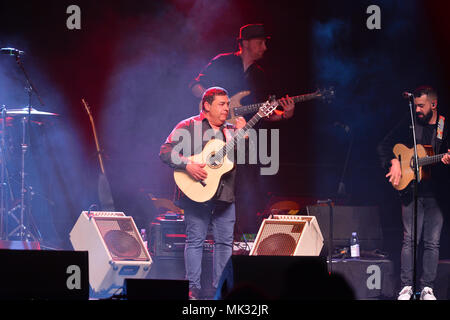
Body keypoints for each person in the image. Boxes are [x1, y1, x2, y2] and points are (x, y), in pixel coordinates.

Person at [160, 87, 247, 299]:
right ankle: (193, 290)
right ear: (207, 106)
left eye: (227, 104)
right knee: (195, 240)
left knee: (225, 243)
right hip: (196, 194)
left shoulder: (230, 130)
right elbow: (165, 151)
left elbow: (242, 159)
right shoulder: (189, 126)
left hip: (225, 194)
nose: (227, 108)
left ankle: (222, 289)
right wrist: (187, 164)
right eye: (222, 104)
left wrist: (243, 135)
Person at [377, 85, 450, 300]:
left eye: (421, 105)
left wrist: (445, 159)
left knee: (432, 242)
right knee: (409, 240)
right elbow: (384, 145)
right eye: (415, 105)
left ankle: (427, 288)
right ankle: (407, 286)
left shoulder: (444, 126)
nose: (417, 109)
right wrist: (393, 162)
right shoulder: (409, 124)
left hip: (436, 193)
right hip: (411, 190)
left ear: (433, 105)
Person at [190, 23, 295, 121]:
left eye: (265, 43)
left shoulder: (260, 75)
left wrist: (284, 114)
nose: (264, 47)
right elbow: (195, 85)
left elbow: (264, 112)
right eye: (260, 43)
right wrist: (214, 102)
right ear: (245, 43)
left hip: (241, 134)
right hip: (213, 128)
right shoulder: (223, 61)